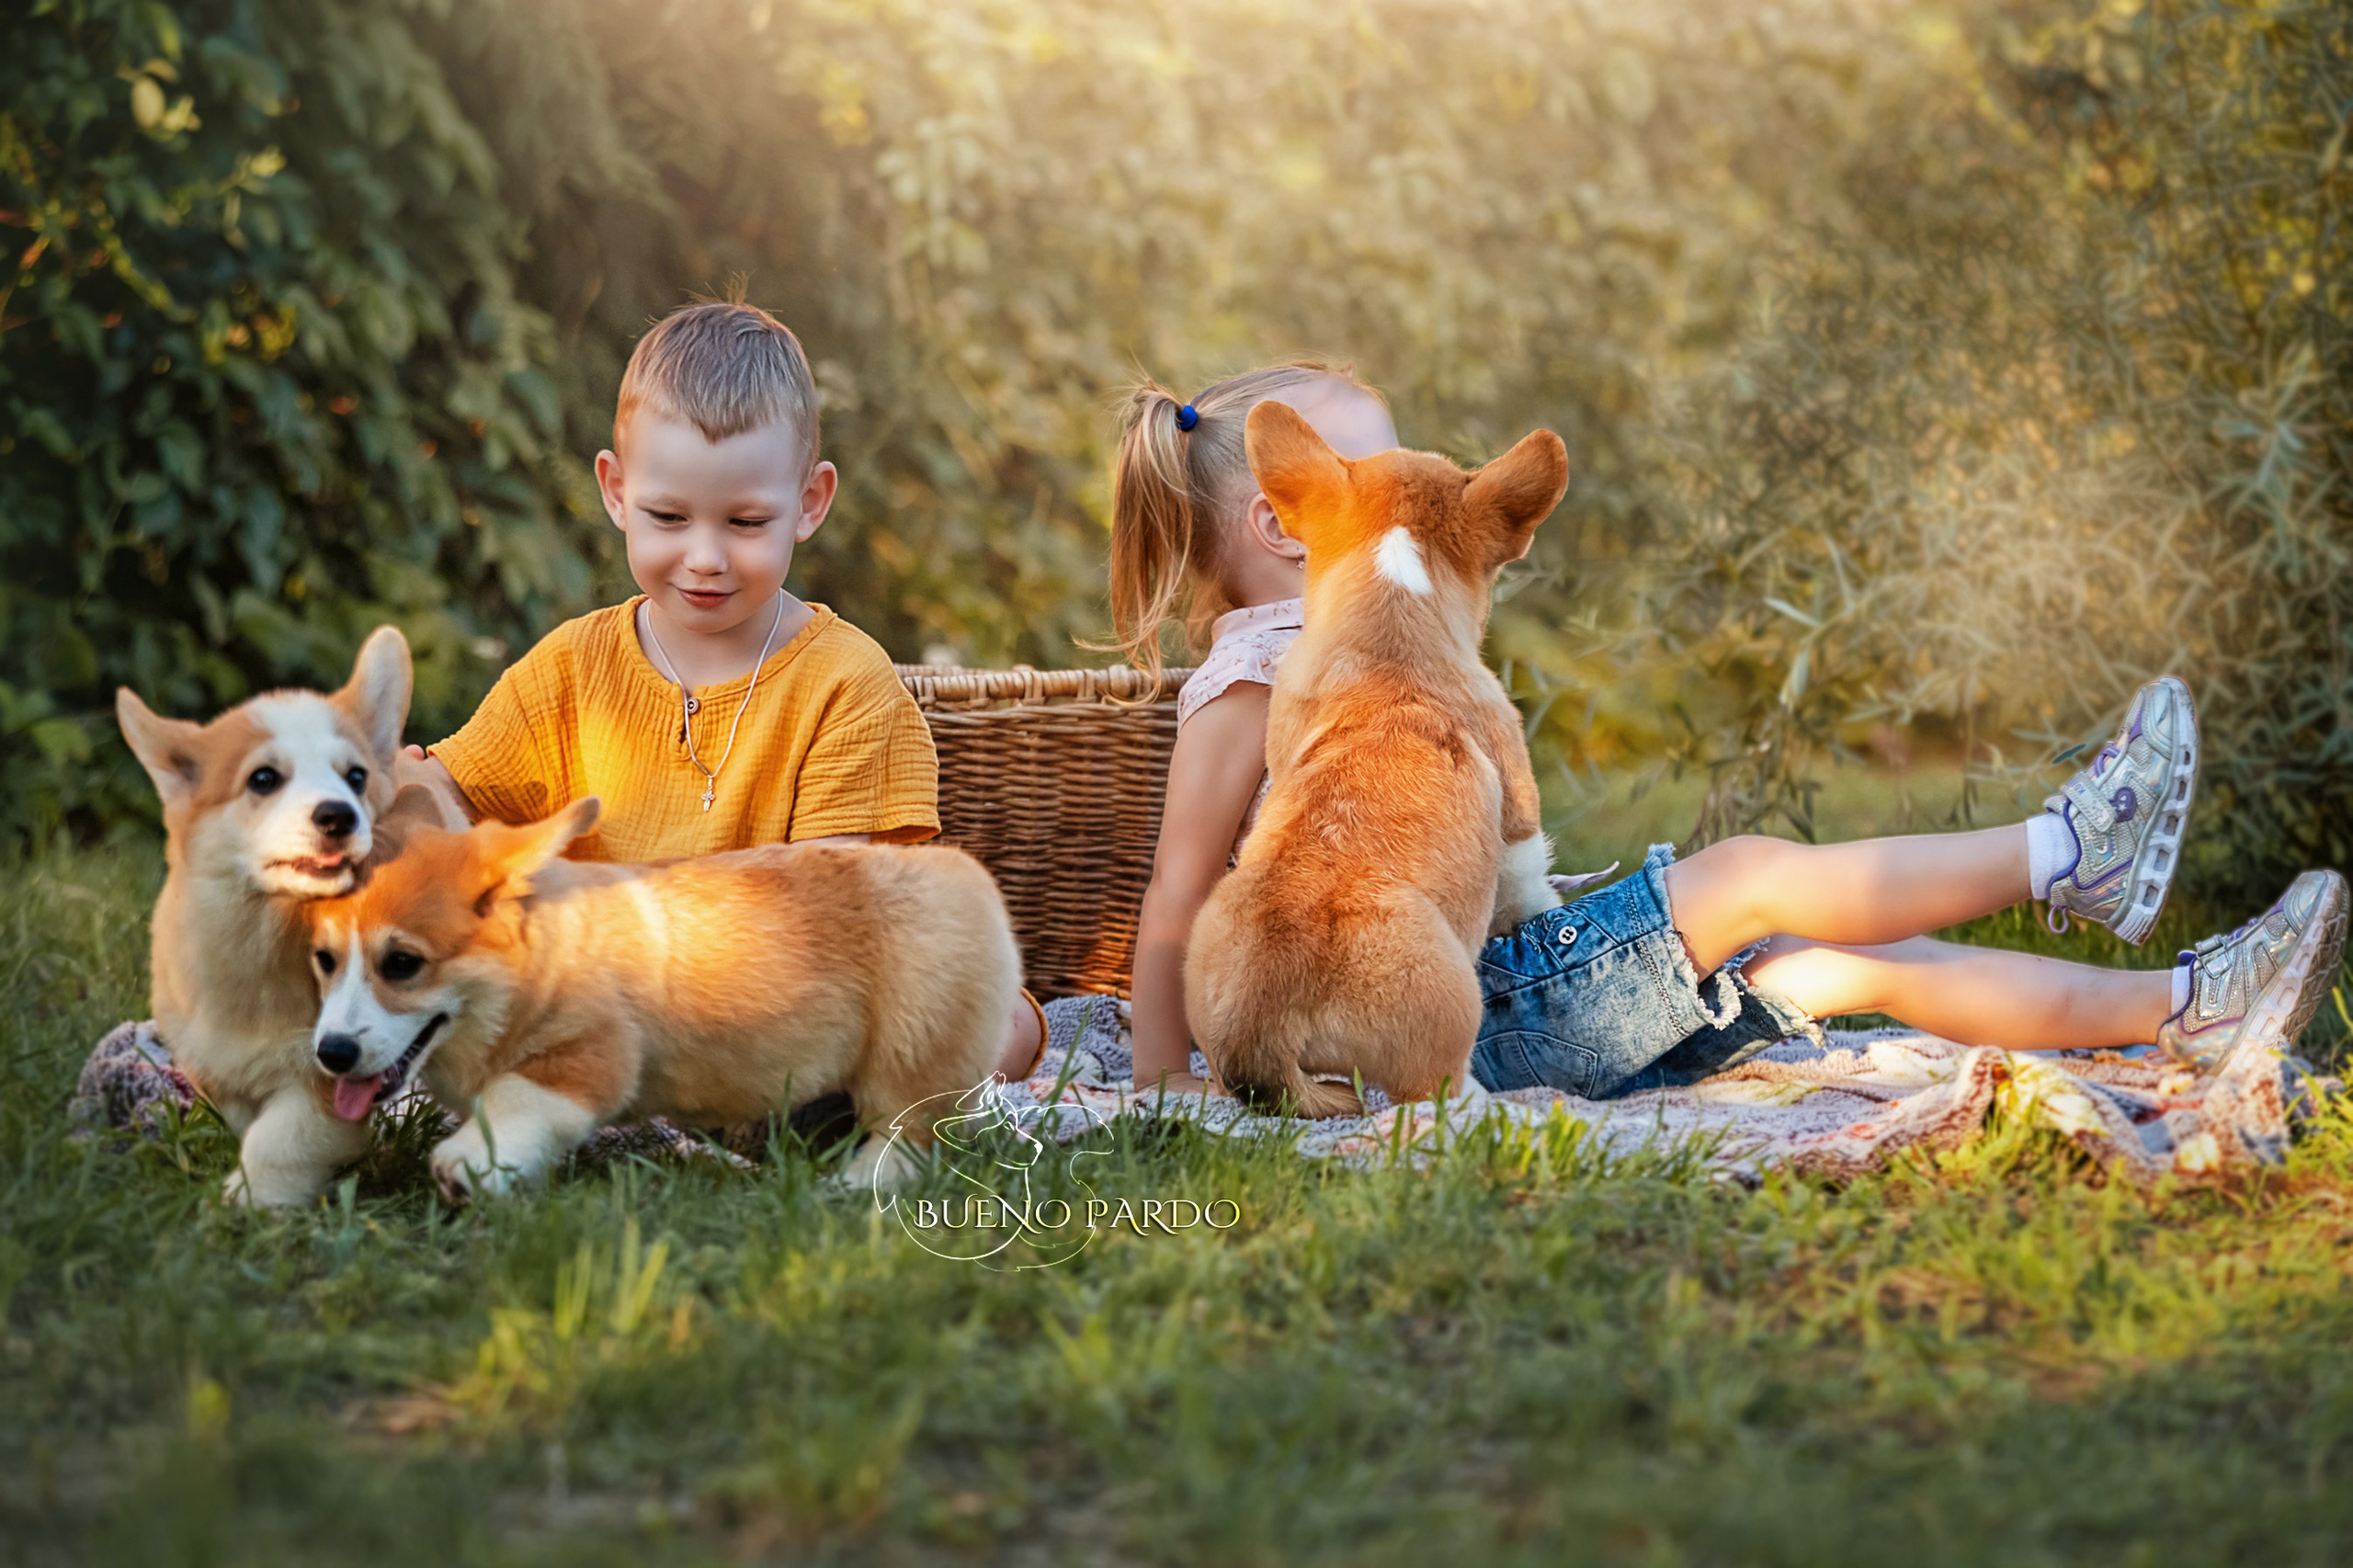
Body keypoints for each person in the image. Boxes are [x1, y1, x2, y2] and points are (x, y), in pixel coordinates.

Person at [1111, 361, 2349, 1103]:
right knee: (1756, 873)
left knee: (1843, 961)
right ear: (1294, 516)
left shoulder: (1378, 646)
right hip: (1465, 1013)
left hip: (1505, 1012)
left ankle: (2190, 1002)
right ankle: (2072, 850)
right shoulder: (1259, 674)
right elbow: (1177, 893)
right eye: (1384, 459)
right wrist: (1165, 1079)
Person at [404, 299, 1045, 1080]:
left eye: (744, 523)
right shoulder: (573, 670)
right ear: (614, 491)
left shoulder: (847, 685)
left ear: (809, 503)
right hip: (617, 989)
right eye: (668, 517)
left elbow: (826, 924)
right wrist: (400, 798)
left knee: (967, 1013)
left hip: (798, 982)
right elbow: (446, 792)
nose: (704, 557)